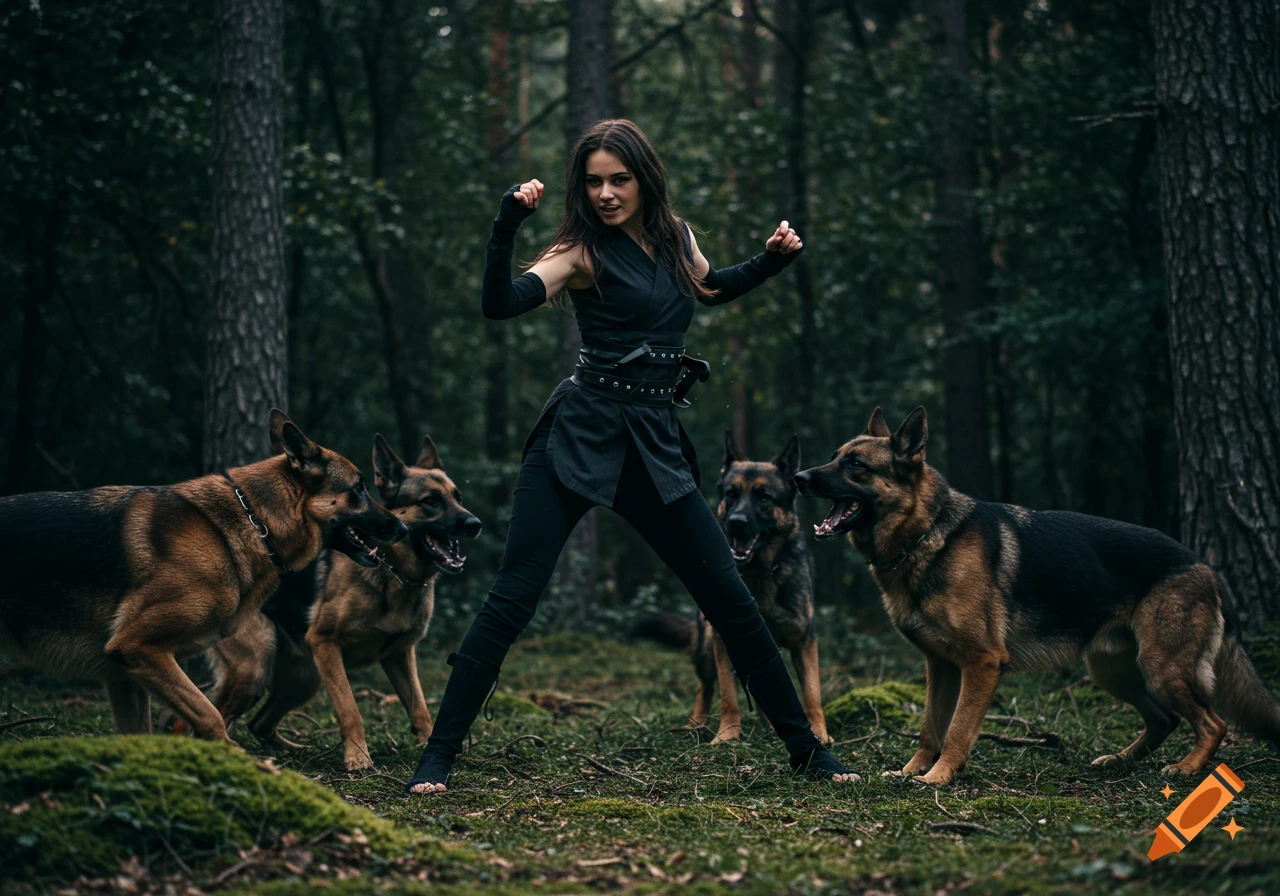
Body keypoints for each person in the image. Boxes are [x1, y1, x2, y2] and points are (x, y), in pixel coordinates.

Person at [406, 119, 859, 794]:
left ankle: (807, 753)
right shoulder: (578, 251)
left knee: (729, 597)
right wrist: (506, 226)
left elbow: (710, 288)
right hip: (576, 436)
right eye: (593, 182)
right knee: (513, 597)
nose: (607, 194)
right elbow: (499, 304)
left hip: (652, 441)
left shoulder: (676, 236)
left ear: (645, 179)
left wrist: (770, 260)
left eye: (619, 180)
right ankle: (438, 755)